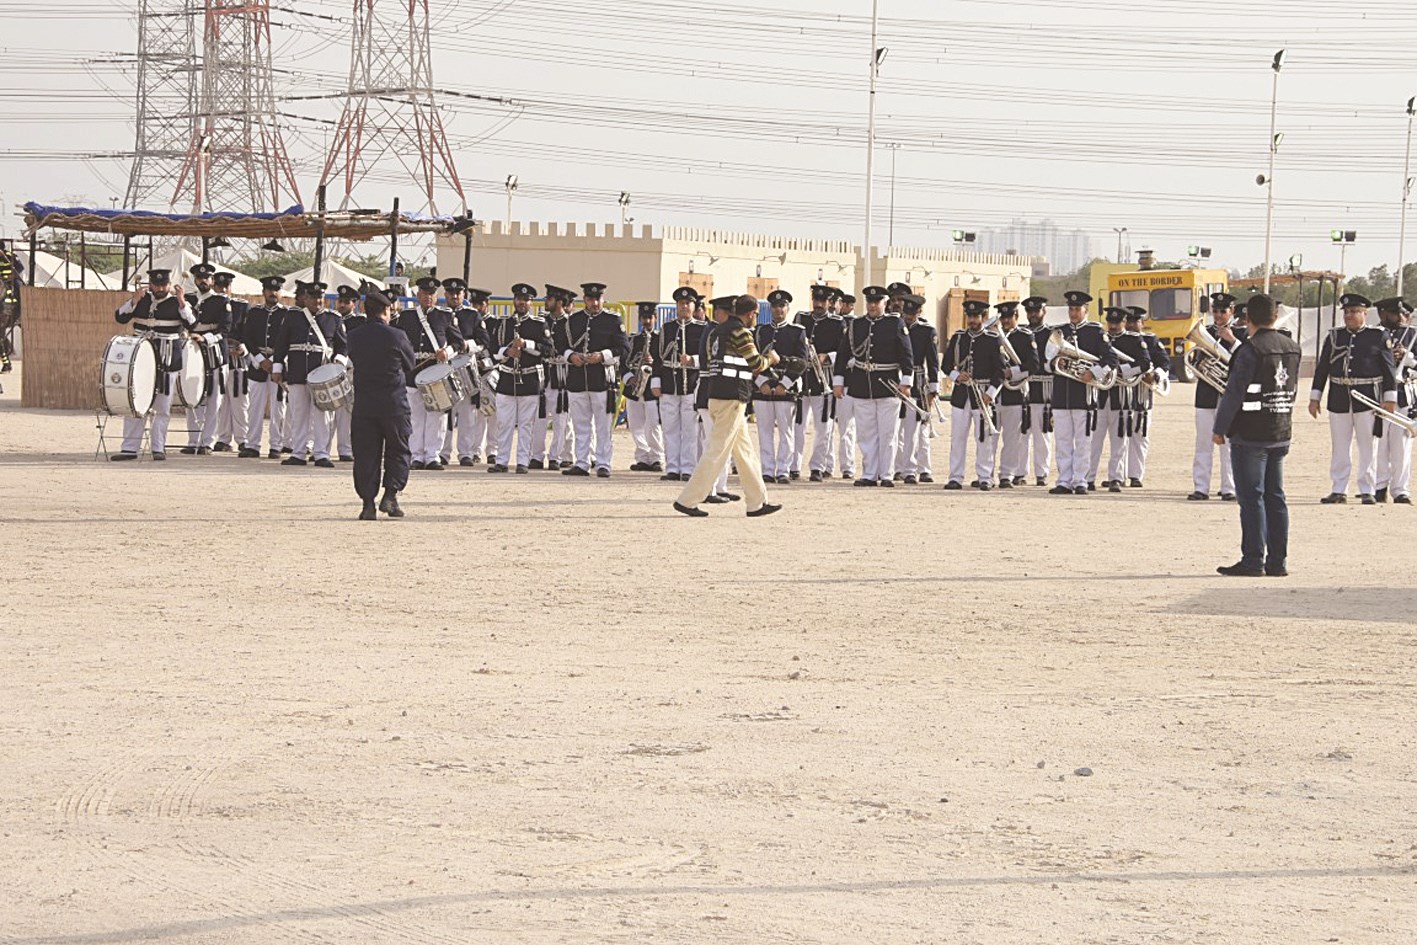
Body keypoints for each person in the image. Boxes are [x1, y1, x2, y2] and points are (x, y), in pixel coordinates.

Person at [1211, 293, 1301, 577]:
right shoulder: (1292, 347)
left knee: (1251, 499)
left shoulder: (1249, 350)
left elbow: (1234, 393)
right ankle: (1278, 561)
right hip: (1280, 429)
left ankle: (1253, 559)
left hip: (1250, 434)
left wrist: (1219, 427)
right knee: (1276, 496)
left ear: (1247, 319)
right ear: (1275, 316)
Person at [673, 294, 781, 518]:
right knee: (717, 450)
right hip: (732, 397)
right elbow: (756, 364)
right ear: (750, 313)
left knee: (744, 452)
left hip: (718, 395)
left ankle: (757, 502)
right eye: (754, 314)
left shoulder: (717, 330)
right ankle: (688, 500)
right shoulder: (740, 332)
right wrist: (771, 358)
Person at [1310, 293, 1399, 504]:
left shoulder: (1378, 336)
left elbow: (1389, 369)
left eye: (1354, 312)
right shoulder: (1334, 336)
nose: (1349, 315)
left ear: (1364, 313)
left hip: (1367, 398)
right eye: (1347, 312)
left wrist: (1390, 398)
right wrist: (1315, 397)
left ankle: (1367, 489)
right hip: (1339, 396)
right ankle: (1339, 489)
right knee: (1340, 445)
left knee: (1368, 445)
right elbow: (1322, 368)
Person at [110, 268, 196, 460]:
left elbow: (192, 323)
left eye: (163, 285)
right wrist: (134, 301)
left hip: (167, 359)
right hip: (141, 358)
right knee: (135, 401)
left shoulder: (177, 302)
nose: (159, 288)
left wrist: (182, 301)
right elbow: (120, 317)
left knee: (162, 406)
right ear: (150, 285)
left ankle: (158, 448)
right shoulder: (142, 299)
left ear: (169, 285)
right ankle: (130, 448)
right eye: (156, 285)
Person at [834, 286, 913, 487]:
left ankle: (886, 473)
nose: (872, 306)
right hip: (862, 384)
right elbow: (843, 354)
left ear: (884, 303)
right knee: (866, 433)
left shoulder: (895, 323)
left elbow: (906, 354)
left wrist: (906, 382)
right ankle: (869, 473)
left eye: (876, 302)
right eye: (869, 302)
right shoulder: (856, 325)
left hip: (888, 385)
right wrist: (839, 382)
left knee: (888, 434)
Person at [347, 290, 415, 520]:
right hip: (393, 403)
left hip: (365, 404)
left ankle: (367, 504)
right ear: (386, 310)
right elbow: (409, 363)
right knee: (398, 450)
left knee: (366, 454)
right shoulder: (397, 335)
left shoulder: (354, 336)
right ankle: (390, 495)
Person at [1045, 290, 1118, 495]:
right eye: (1071, 309)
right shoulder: (1059, 332)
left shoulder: (1095, 332)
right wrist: (1055, 364)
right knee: (1063, 441)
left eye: (1077, 309)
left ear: (1086, 310)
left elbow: (1110, 359)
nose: (1073, 313)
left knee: (1083, 441)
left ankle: (1080, 481)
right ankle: (1064, 480)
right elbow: (1047, 361)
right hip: (1061, 395)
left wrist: (1093, 372)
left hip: (1084, 396)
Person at [272, 280, 348, 468]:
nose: (317, 301)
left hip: (322, 374)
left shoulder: (334, 318)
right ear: (305, 298)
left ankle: (321, 454)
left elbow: (343, 345)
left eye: (320, 297)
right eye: (313, 297)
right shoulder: (293, 317)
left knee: (323, 415)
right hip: (298, 371)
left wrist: (338, 362)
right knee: (299, 414)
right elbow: (282, 344)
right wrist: (277, 368)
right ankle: (298, 452)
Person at [561, 281, 628, 477]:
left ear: (603, 299)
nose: (594, 303)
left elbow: (624, 348)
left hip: (601, 380)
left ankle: (604, 463)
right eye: (590, 299)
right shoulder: (573, 321)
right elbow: (560, 344)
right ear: (584, 300)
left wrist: (603, 355)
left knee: (603, 425)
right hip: (577, 378)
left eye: (597, 299)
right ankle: (582, 462)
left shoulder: (613, 320)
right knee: (580, 424)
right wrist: (570, 356)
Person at [396, 276, 463, 470]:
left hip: (436, 370)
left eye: (432, 294)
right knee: (415, 416)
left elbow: (458, 342)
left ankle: (432, 455)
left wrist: (447, 352)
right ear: (418, 295)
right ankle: (416, 455)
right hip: (414, 370)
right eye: (425, 293)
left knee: (437, 415)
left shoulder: (445, 316)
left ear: (436, 296)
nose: (428, 297)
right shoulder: (407, 316)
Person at [488, 283, 553, 473]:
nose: (522, 303)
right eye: (519, 299)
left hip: (530, 378)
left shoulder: (539, 324)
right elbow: (492, 349)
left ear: (531, 302)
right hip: (507, 378)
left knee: (526, 424)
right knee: (504, 423)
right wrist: (506, 351)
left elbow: (548, 350)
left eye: (526, 300)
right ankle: (501, 461)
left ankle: (523, 461)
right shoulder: (503, 323)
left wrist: (526, 344)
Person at [1190, 292, 1246, 501]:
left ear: (1232, 311)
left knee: (1229, 445)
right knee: (1203, 443)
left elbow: (1245, 360)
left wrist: (1232, 341)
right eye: (1216, 311)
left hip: (1230, 396)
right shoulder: (1205, 333)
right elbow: (1195, 362)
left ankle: (1229, 488)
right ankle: (1201, 487)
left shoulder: (1242, 334)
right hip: (1206, 394)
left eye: (1223, 311)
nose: (1219, 315)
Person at [1088, 307, 1150, 493]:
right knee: (1093, 440)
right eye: (1110, 322)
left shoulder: (1134, 340)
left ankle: (1115, 477)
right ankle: (1088, 477)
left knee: (1119, 441)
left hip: (1122, 396)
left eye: (1117, 323)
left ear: (1124, 322)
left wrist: (1122, 371)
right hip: (1099, 394)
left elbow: (1144, 363)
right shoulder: (1101, 338)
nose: (1113, 326)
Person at [942, 299, 1002, 489]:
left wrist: (990, 393)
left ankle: (985, 477)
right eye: (970, 316)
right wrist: (957, 376)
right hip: (961, 395)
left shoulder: (993, 340)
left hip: (982, 395)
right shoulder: (958, 338)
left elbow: (999, 371)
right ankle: (955, 477)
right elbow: (945, 365)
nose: (972, 320)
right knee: (957, 438)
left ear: (983, 317)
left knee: (983, 438)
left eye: (976, 316)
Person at [652, 286, 706, 481]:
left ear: (694, 305)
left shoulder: (702, 329)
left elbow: (707, 357)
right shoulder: (667, 328)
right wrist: (655, 381)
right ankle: (672, 468)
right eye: (681, 304)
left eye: (688, 303)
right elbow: (658, 358)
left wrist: (693, 360)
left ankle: (689, 468)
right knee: (670, 428)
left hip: (691, 385)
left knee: (691, 431)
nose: (684, 306)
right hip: (669, 384)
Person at [754, 289, 807, 484]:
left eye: (782, 306)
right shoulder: (761, 331)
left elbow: (802, 361)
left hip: (787, 388)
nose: (778, 310)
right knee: (764, 431)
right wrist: (762, 382)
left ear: (788, 308)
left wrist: (785, 384)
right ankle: (767, 469)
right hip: (763, 388)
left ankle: (783, 469)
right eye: (775, 307)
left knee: (786, 432)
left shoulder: (797, 331)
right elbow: (752, 359)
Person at [795, 284, 845, 482]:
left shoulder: (837, 323)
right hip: (802, 379)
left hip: (823, 379)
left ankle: (817, 466)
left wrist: (827, 356)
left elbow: (843, 351)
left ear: (829, 303)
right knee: (797, 426)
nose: (818, 304)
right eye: (816, 300)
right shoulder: (801, 319)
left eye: (822, 301)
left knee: (823, 427)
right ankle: (793, 466)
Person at [179, 263, 231, 456]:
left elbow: (225, 329)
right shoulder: (189, 299)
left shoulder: (220, 300)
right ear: (195, 280)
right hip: (192, 353)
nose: (203, 281)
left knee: (214, 399)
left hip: (215, 352)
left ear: (212, 280)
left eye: (206, 278)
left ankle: (207, 442)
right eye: (199, 278)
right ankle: (193, 441)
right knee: (192, 396)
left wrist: (206, 338)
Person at [238, 276, 292, 459]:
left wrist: (276, 362)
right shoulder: (254, 313)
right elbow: (248, 337)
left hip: (279, 364)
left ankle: (276, 445)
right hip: (257, 364)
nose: (272, 293)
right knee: (254, 407)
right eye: (269, 289)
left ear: (281, 292)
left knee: (278, 408)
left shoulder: (287, 314)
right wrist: (260, 359)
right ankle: (252, 444)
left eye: (276, 290)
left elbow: (288, 341)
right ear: (263, 292)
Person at [992, 300, 1039, 488]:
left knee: (1012, 439)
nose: (1004, 321)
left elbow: (1034, 365)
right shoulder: (991, 336)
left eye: (1008, 317)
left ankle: (1007, 475)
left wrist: (1014, 372)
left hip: (1015, 393)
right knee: (989, 437)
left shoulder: (1026, 336)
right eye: (1002, 317)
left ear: (1016, 317)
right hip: (994, 393)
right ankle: (986, 474)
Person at [1374, 297, 1416, 504]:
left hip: (1402, 395)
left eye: (1401, 313)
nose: (1400, 317)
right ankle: (1378, 486)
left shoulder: (1413, 334)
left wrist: (1407, 359)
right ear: (1382, 314)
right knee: (1378, 442)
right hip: (1379, 394)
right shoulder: (1373, 335)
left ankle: (1400, 489)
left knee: (1401, 443)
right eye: (1394, 313)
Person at [1124, 306, 1170, 487]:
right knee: (1119, 436)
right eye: (1128, 321)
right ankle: (1117, 475)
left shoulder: (1150, 341)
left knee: (1140, 435)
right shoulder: (1116, 339)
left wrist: (1156, 375)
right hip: (1120, 394)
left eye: (1135, 321)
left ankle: (1136, 475)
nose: (1131, 325)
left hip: (1142, 393)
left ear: (1142, 323)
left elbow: (1164, 363)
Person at [898, 294, 939, 485]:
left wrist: (933, 389)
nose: (908, 316)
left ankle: (923, 469)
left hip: (919, 382)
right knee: (900, 429)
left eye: (912, 313)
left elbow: (933, 362)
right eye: (906, 312)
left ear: (919, 312)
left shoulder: (927, 331)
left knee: (920, 429)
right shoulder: (896, 327)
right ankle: (903, 468)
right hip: (898, 379)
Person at [539, 284, 578, 469]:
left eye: (550, 299)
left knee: (561, 419)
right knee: (538, 418)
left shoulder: (571, 323)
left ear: (560, 302)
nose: (546, 302)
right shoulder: (541, 321)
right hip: (542, 373)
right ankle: (536, 455)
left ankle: (556, 456)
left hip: (562, 374)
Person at [623, 301, 665, 473]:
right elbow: (623, 361)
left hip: (651, 388)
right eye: (644, 318)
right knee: (635, 424)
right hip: (634, 386)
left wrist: (653, 363)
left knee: (653, 424)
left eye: (650, 318)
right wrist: (628, 377)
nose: (647, 321)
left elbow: (663, 362)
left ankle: (657, 457)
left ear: (655, 318)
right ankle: (642, 457)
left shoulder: (660, 339)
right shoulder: (632, 340)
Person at [211, 271, 249, 454]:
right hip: (217, 356)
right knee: (221, 402)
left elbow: (250, 330)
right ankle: (224, 438)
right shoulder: (211, 304)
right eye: (219, 286)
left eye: (226, 286)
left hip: (237, 358)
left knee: (240, 401)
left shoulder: (241, 306)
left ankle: (244, 439)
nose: (223, 290)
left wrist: (244, 346)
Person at [331, 283, 367, 462]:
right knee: (328, 409)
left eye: (347, 302)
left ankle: (345, 449)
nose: (342, 305)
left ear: (355, 304)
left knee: (347, 411)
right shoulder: (331, 319)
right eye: (340, 301)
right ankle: (319, 448)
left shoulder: (360, 322)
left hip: (352, 370)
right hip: (332, 369)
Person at [1021, 296, 1054, 485]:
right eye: (1030, 311)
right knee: (1021, 433)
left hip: (1044, 387)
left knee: (1042, 433)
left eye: (1036, 311)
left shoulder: (1051, 333)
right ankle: (1020, 473)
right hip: (1022, 387)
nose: (1033, 315)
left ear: (1044, 312)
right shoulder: (1021, 333)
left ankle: (1042, 473)